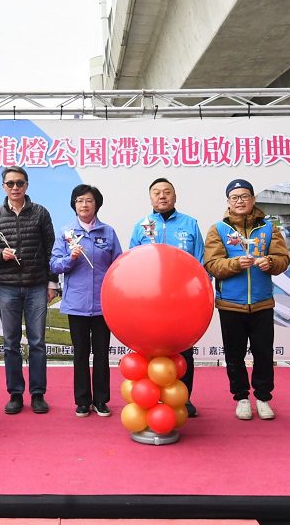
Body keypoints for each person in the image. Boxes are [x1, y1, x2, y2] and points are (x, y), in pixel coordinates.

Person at [203, 179, 290, 421]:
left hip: (262, 303)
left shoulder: (268, 228)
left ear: (253, 200)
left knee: (263, 353)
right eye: (235, 197)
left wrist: (270, 262)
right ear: (228, 202)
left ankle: (263, 398)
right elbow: (211, 264)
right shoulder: (218, 229)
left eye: (244, 196)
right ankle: (241, 397)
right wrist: (234, 264)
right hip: (231, 303)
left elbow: (283, 258)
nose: (240, 201)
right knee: (234, 354)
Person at [0, 166, 57, 415]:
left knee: (37, 342)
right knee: (10, 343)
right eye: (10, 183)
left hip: (36, 285)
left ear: (27, 185)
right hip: (7, 287)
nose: (15, 188)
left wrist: (51, 282)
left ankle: (37, 394)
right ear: (3, 186)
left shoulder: (40, 213)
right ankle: (15, 393)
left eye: (20, 183)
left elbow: (51, 251)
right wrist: (0, 254)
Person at [129, 177, 204, 417]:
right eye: (157, 193)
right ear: (150, 198)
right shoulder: (141, 226)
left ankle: (184, 398)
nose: (162, 196)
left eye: (167, 192)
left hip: (182, 302)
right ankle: (151, 398)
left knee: (184, 351)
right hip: (149, 302)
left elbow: (201, 264)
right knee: (150, 351)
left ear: (175, 196)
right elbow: (131, 264)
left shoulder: (189, 224)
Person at [49, 184, 124, 418]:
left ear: (96, 204)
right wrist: (70, 258)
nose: (84, 204)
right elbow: (54, 265)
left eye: (89, 200)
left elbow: (119, 265)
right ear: (74, 205)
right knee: (80, 354)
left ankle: (101, 400)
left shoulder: (108, 232)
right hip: (77, 304)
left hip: (103, 304)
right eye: (80, 200)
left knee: (101, 353)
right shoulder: (66, 233)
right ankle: (82, 401)